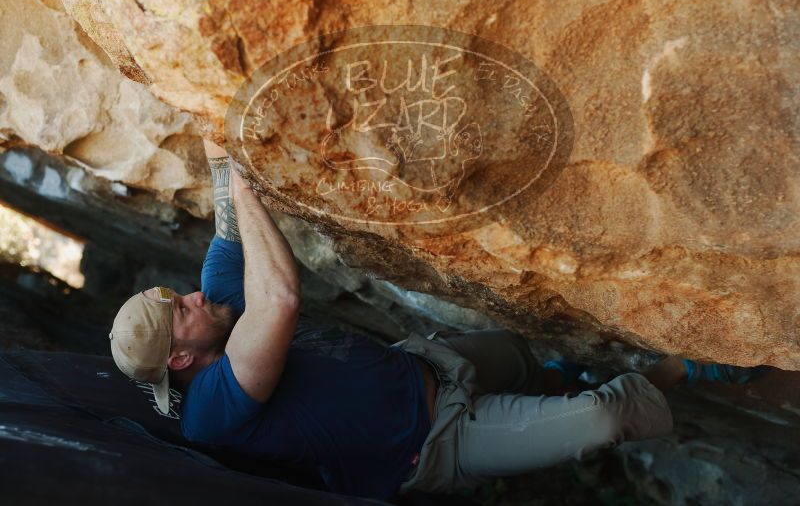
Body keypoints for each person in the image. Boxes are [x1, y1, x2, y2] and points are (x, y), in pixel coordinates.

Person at [109, 139, 688, 500]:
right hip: (441, 441)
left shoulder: (217, 306)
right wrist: (244, 183)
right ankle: (680, 373)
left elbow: (228, 221)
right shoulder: (212, 410)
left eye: (174, 297)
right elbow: (279, 300)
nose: (189, 297)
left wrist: (218, 135)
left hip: (428, 364)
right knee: (602, 419)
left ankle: (560, 382)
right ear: (180, 360)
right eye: (178, 313)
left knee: (520, 355)